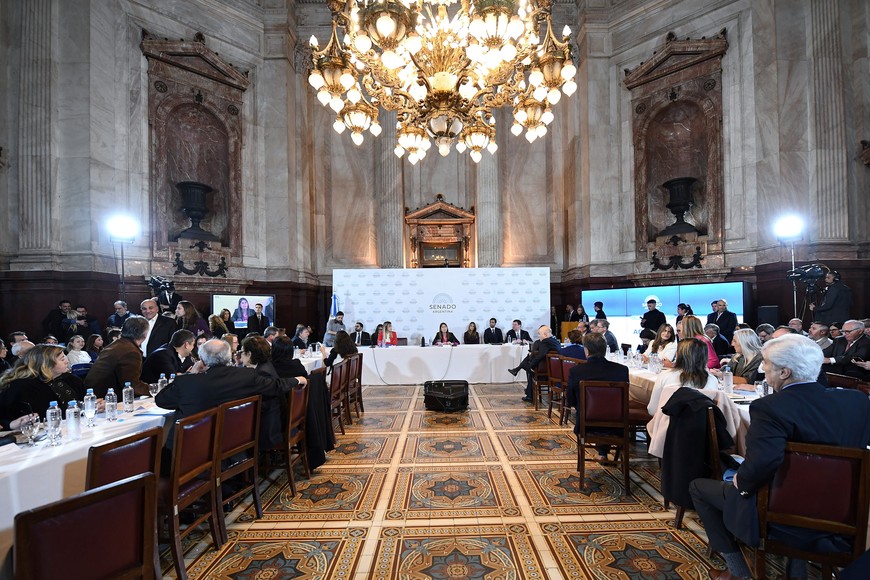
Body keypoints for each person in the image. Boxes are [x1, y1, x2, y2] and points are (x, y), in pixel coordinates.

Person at [689, 334, 870, 580]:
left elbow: (762, 465)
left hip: (780, 513)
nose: (763, 369)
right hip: (844, 513)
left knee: (699, 487)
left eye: (766, 363)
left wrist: (741, 483)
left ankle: (737, 572)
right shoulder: (857, 401)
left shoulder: (770, 407)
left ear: (784, 372)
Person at [155, 339, 306, 455]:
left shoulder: (188, 382)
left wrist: (191, 374)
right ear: (228, 357)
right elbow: (275, 385)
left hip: (193, 452)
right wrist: (297, 380)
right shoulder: (247, 376)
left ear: (202, 360)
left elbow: (161, 399)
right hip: (237, 444)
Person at [565, 333, 629, 457]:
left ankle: (602, 451)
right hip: (616, 425)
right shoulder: (622, 370)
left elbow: (571, 400)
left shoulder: (576, 371)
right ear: (605, 349)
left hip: (587, 424)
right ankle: (604, 451)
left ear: (587, 351)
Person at [0, 344, 86, 421]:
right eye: (62, 359)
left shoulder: (70, 379)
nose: (67, 361)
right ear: (46, 364)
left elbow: (85, 402)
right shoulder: (24, 386)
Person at [647, 338, 719, 416]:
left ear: (678, 355)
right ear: (705, 357)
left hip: (667, 423)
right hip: (700, 423)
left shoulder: (665, 376)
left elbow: (652, 410)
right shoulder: (712, 380)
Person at [84, 316, 152, 397]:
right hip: (105, 398)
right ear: (145, 334)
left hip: (94, 394)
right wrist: (156, 390)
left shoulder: (118, 344)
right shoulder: (130, 351)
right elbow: (132, 385)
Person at [508, 325, 560, 402]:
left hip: (545, 373)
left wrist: (531, 365)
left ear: (545, 334)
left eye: (539, 334)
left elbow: (541, 355)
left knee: (529, 368)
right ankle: (529, 394)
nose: (539, 336)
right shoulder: (555, 341)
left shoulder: (545, 342)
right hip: (553, 371)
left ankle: (529, 394)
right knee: (531, 369)